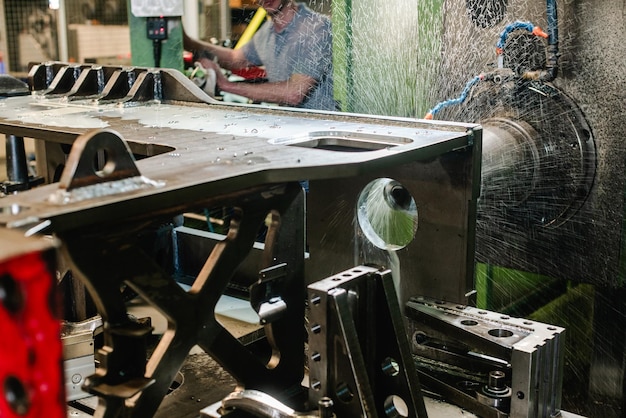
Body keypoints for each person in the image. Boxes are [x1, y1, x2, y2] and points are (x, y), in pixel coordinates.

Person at [183, 0, 335, 111]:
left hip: (320, 127)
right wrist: (188, 43)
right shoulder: (268, 30)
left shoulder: (317, 28)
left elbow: (294, 93)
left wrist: (225, 85)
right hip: (289, 123)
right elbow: (236, 59)